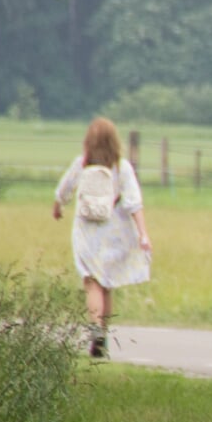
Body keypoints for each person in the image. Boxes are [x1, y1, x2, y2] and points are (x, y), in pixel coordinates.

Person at [52, 117, 151, 359]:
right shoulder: (122, 167)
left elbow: (64, 189)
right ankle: (103, 335)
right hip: (115, 232)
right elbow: (133, 202)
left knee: (91, 281)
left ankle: (95, 329)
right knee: (107, 285)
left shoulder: (82, 164)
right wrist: (143, 234)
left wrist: (58, 206)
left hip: (87, 231)